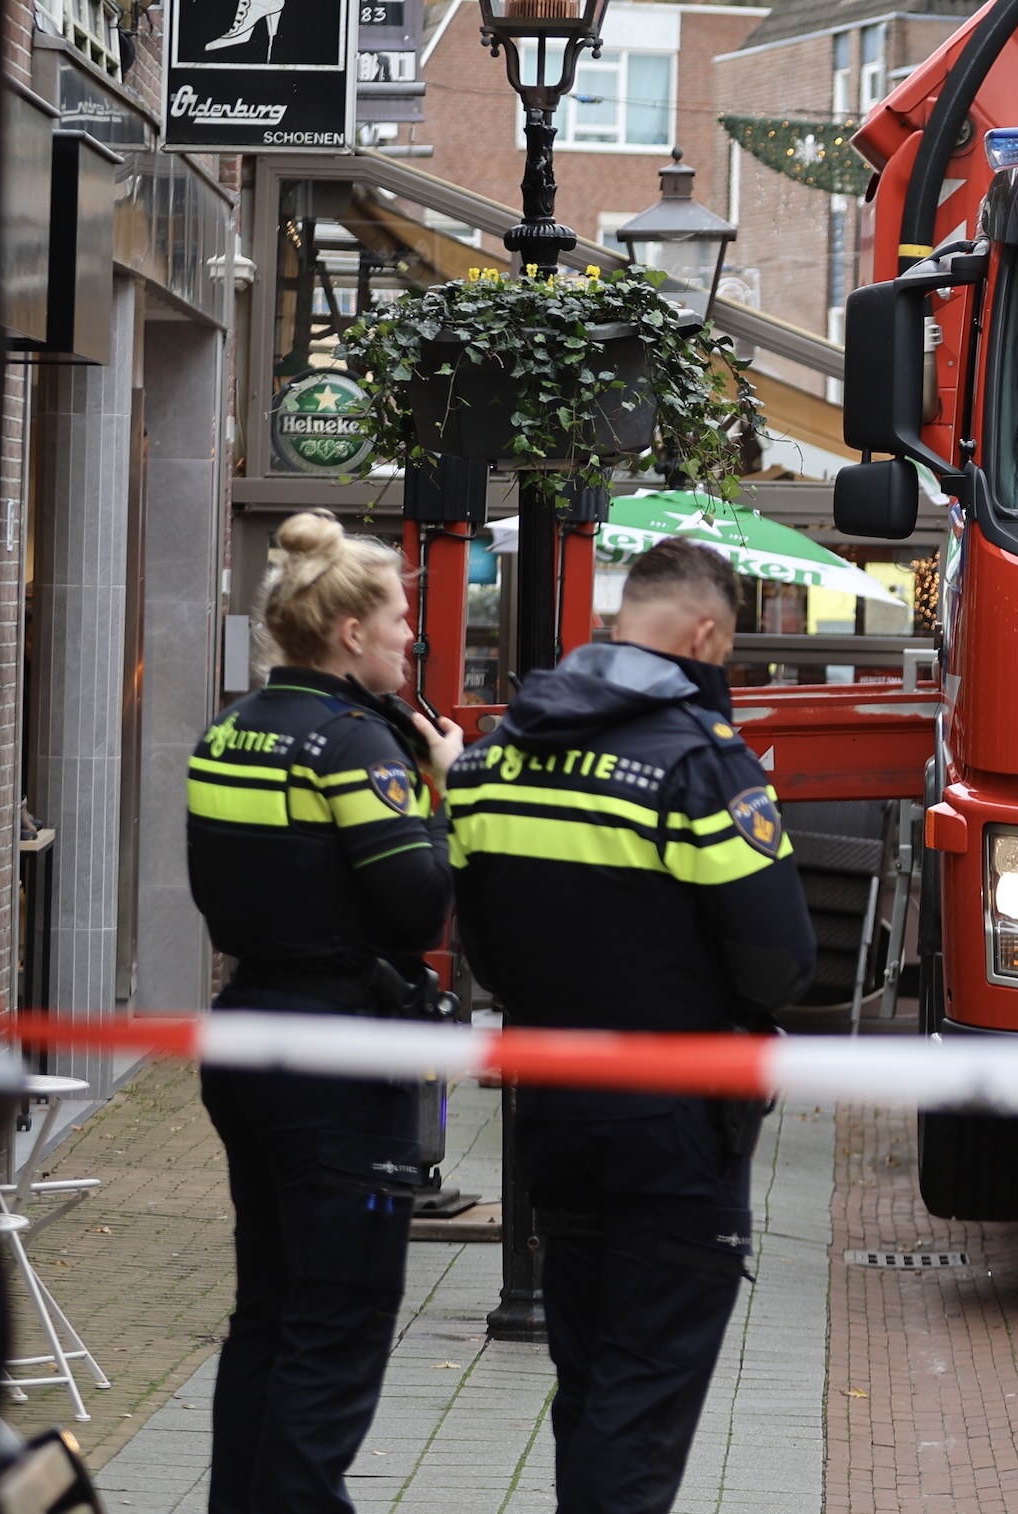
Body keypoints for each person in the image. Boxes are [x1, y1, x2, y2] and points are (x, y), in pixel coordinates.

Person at [450, 538, 815, 1510]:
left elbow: (480, 946)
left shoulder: (494, 759)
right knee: (643, 1389)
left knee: (591, 1376)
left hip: (553, 1114)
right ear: (704, 633)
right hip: (677, 1125)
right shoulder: (703, 766)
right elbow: (779, 961)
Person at [185, 509, 464, 1511]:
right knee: (337, 1314)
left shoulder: (230, 729)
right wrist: (442, 786)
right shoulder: (354, 747)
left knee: (268, 1305)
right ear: (350, 632)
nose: (410, 637)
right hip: (337, 1060)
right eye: (399, 619)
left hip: (248, 1028)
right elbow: (417, 901)